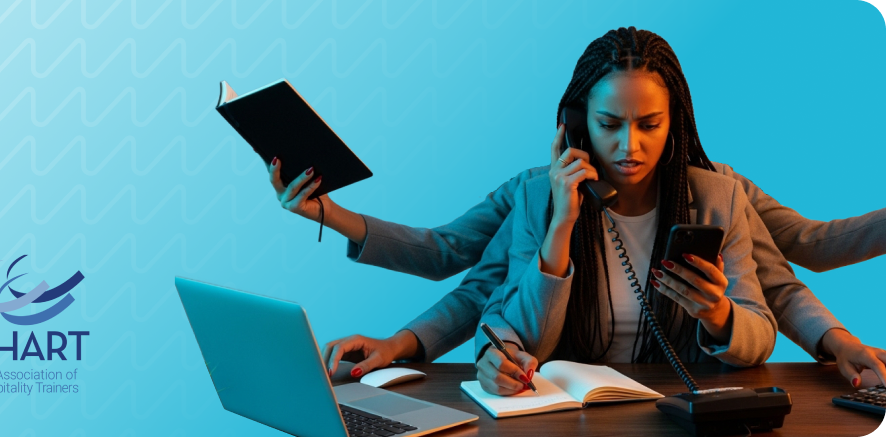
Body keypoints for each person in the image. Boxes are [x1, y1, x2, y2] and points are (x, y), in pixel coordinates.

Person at [263, 29, 886, 388]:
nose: (629, 145)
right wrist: (328, 214)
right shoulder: (538, 192)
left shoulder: (715, 192)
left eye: (650, 125)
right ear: (575, 122)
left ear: (677, 123)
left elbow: (786, 272)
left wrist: (821, 337)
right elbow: (464, 271)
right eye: (610, 123)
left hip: (686, 405)